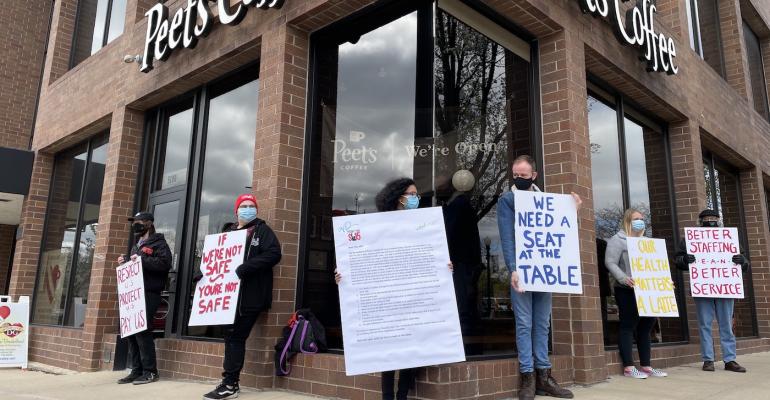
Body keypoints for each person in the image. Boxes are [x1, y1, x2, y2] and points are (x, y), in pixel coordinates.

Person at [334, 178, 452, 400]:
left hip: (412, 298)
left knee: (409, 352)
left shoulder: (424, 224)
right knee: (387, 353)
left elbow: (430, 255)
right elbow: (361, 258)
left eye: (417, 194)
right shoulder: (377, 226)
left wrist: (444, 267)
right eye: (412, 194)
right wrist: (343, 275)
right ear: (399, 197)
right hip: (387, 299)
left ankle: (402, 396)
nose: (416, 198)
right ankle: (388, 397)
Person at [497, 155, 579, 400]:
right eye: (515, 175)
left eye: (523, 175)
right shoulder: (507, 200)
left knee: (542, 324)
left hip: (544, 271)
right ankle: (527, 377)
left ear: (534, 175)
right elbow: (507, 237)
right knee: (524, 324)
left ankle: (544, 376)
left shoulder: (548, 201)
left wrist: (572, 209)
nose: (518, 178)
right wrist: (513, 268)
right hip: (522, 272)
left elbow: (560, 232)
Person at [203, 194, 282, 400]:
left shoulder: (262, 230)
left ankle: (230, 384)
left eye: (251, 206)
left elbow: (274, 254)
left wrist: (246, 267)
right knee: (230, 337)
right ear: (236, 210)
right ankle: (228, 381)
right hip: (227, 297)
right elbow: (217, 259)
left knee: (236, 337)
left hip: (250, 296)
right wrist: (204, 273)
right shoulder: (227, 231)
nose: (248, 209)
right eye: (244, 206)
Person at [673, 209, 749, 373]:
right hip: (703, 288)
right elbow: (677, 261)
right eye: (707, 218)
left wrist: (741, 261)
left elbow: (744, 262)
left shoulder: (729, 238)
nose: (710, 220)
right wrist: (685, 260)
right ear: (700, 221)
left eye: (714, 218)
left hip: (725, 288)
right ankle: (708, 360)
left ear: (719, 220)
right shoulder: (690, 239)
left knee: (726, 325)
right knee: (705, 325)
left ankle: (730, 359)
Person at [604, 208, 668, 379]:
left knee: (647, 326)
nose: (640, 221)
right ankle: (629, 367)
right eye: (636, 218)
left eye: (641, 218)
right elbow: (610, 262)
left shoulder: (647, 241)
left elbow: (656, 264)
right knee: (628, 325)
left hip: (648, 289)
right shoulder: (617, 240)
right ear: (627, 221)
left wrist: (664, 282)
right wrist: (623, 278)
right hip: (626, 290)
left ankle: (646, 365)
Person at [116, 212, 173, 385]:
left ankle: (150, 371)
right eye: (134, 222)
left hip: (150, 292)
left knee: (142, 331)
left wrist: (143, 259)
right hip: (135, 294)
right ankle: (137, 370)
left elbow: (164, 264)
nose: (135, 225)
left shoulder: (159, 243)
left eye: (138, 222)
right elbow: (136, 266)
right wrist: (125, 262)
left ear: (148, 223)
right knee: (131, 332)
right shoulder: (136, 245)